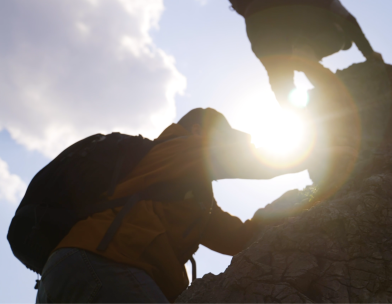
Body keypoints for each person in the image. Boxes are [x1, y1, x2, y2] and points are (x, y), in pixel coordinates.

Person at [34, 108, 328, 303]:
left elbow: (236, 239)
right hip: (105, 263)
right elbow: (247, 160)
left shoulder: (190, 197)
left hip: (70, 271)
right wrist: (318, 153)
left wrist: (290, 204)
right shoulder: (178, 147)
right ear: (199, 132)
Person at [226, 0, 384, 111]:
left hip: (253, 20)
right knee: (334, 40)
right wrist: (369, 53)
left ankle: (299, 111)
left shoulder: (300, 0)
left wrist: (297, 115)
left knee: (278, 73)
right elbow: (348, 19)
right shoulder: (312, 0)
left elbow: (276, 80)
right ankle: (305, 53)